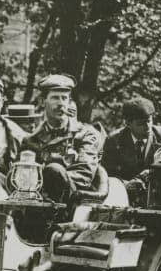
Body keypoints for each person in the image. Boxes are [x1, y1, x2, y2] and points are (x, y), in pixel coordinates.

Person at [20, 74, 103, 203]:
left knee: (54, 169)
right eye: (55, 98)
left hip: (73, 203)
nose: (60, 104)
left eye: (64, 98)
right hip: (36, 201)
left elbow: (83, 175)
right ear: (43, 101)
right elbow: (22, 177)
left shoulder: (85, 135)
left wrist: (50, 176)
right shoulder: (31, 140)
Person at [100, 97, 161, 197]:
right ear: (128, 124)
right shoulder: (114, 140)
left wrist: (153, 173)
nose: (147, 126)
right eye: (141, 123)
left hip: (156, 194)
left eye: (149, 121)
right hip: (124, 194)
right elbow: (107, 174)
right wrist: (126, 185)